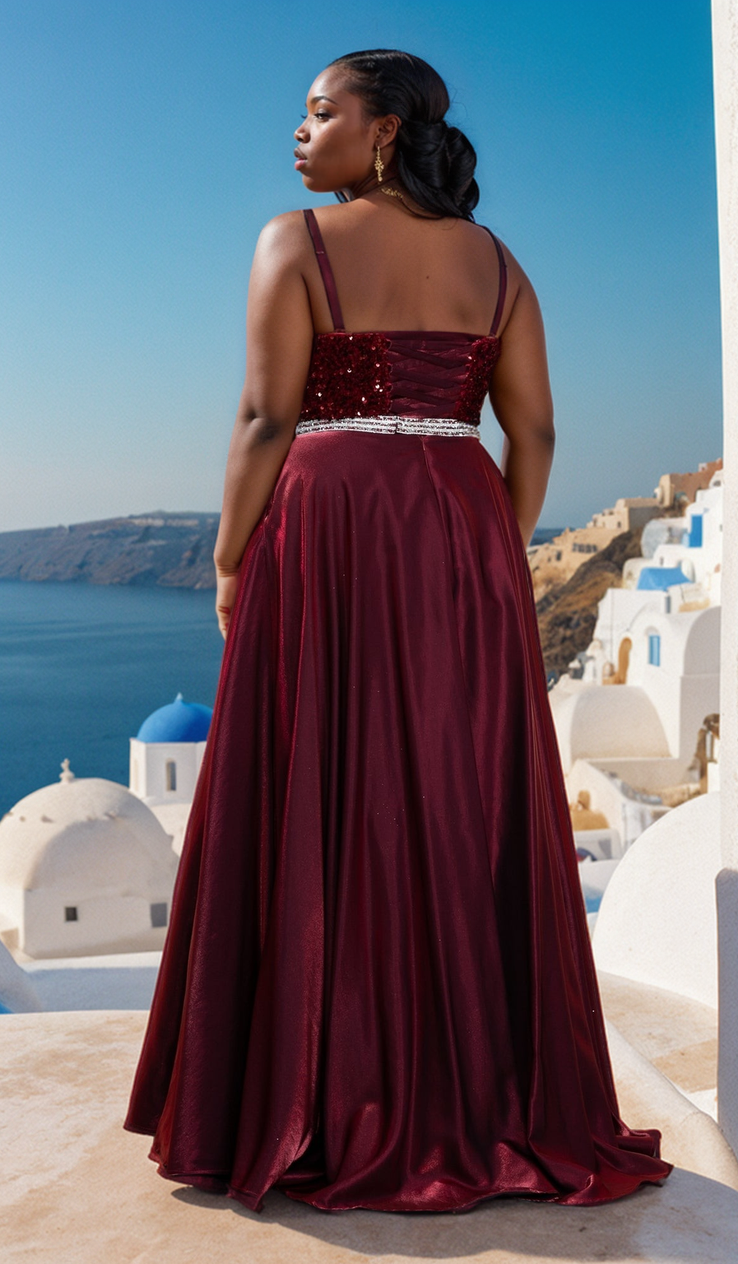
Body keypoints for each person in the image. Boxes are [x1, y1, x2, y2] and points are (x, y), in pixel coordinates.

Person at [123, 48, 673, 1214]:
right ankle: (479, 1097)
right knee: (452, 796)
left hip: (326, 524)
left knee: (320, 785)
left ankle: (310, 1100)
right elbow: (536, 432)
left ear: (379, 134)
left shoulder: (295, 242)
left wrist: (227, 561)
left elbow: (267, 414)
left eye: (318, 112)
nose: (296, 131)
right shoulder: (499, 261)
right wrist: (487, 547)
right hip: (461, 525)